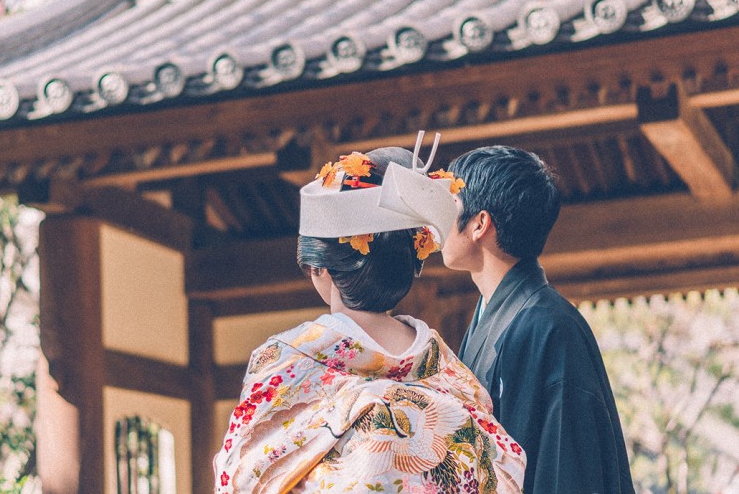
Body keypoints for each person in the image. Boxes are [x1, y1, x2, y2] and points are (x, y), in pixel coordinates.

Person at [213, 134, 526, 493]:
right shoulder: (452, 375)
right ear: (410, 263)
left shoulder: (285, 362)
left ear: (321, 269)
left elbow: (239, 478)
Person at [442, 145, 635, 493]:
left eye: (451, 206)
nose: (438, 220)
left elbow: (568, 470)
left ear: (479, 224)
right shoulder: (500, 316)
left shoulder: (550, 328)